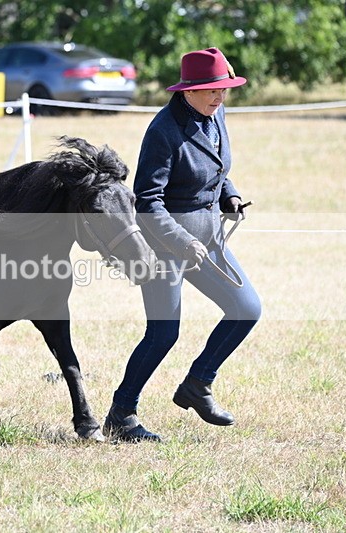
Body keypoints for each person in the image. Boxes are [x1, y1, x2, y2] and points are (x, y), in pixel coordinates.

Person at [104, 47, 262, 442]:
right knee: (163, 334)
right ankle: (121, 414)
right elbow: (147, 203)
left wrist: (230, 195)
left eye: (223, 89)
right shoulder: (163, 132)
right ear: (188, 90)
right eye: (211, 89)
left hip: (207, 237)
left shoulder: (215, 113)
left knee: (246, 308)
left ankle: (197, 385)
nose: (220, 96)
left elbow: (219, 167)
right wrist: (182, 240)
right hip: (164, 245)